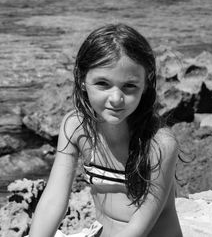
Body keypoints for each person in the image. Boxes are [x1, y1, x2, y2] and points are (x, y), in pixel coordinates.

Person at [28, 24, 183, 237]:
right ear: (83, 81)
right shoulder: (76, 127)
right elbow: (53, 199)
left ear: (145, 85)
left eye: (129, 86)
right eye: (103, 83)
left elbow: (140, 224)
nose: (116, 99)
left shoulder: (159, 144)